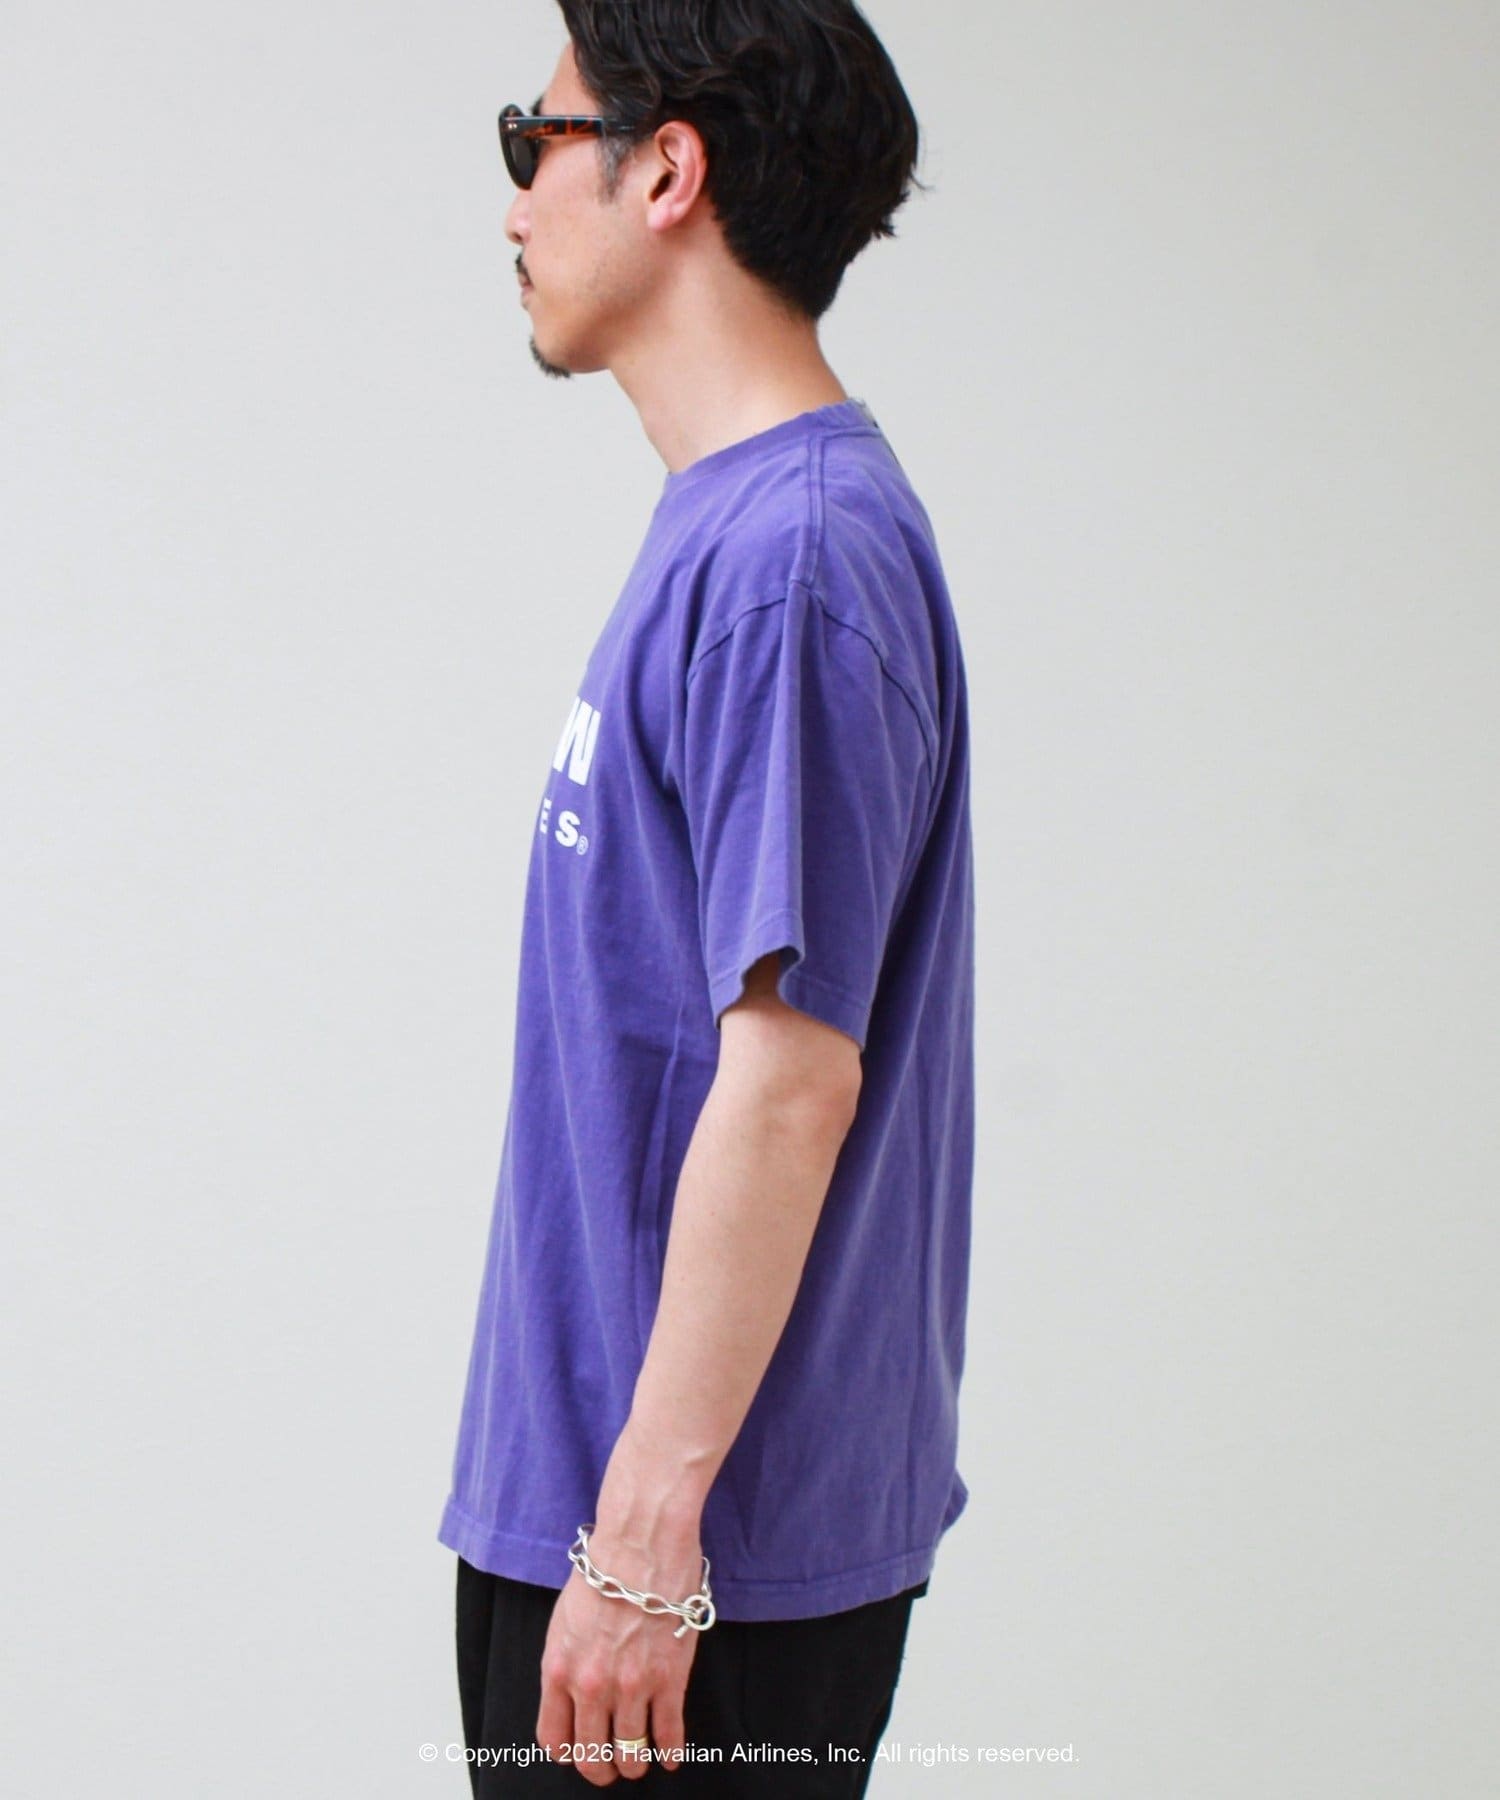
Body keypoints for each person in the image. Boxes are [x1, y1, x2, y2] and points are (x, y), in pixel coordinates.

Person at [438, 3, 975, 1792]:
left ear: (666, 168)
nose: (513, 201)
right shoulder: (737, 528)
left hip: (679, 1573)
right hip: (615, 1526)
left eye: (536, 139)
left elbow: (794, 1073)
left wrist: (645, 1544)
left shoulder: (793, 562)